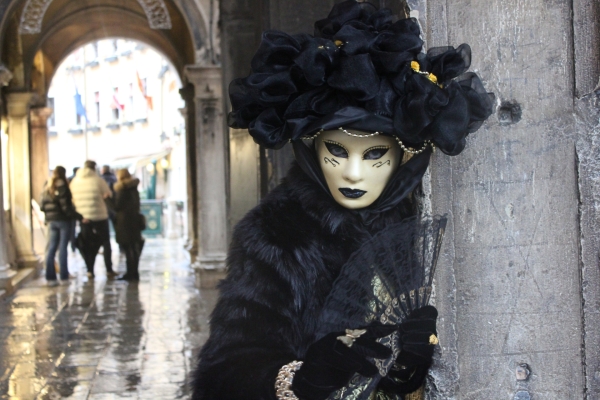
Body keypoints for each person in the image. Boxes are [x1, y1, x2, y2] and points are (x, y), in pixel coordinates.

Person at [192, 2, 494, 399]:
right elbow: (224, 372)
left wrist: (410, 370)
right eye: (337, 151)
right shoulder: (275, 235)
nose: (352, 173)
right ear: (313, 152)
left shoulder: (427, 230)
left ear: (403, 155)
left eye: (373, 154)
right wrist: (297, 379)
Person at [70, 160, 116, 278]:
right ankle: (109, 269)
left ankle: (90, 270)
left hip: (84, 217)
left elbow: (72, 199)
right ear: (94, 168)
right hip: (100, 216)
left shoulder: (75, 181)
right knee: (105, 242)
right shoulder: (98, 180)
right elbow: (107, 194)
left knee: (87, 244)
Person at [40, 166, 83, 285]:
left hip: (50, 221)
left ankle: (50, 278)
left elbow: (42, 206)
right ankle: (64, 276)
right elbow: (66, 207)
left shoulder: (47, 186)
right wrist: (78, 216)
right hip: (63, 221)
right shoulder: (63, 186)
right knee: (63, 248)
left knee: (51, 248)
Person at [113, 169, 144, 281]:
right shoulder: (133, 188)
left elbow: (117, 206)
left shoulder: (122, 189)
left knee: (128, 249)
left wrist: (108, 199)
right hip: (134, 220)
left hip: (124, 222)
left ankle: (130, 273)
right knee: (133, 248)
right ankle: (134, 273)